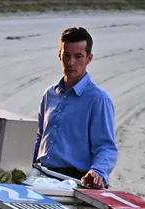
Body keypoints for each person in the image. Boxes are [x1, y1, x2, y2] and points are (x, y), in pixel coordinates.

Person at [32, 26, 118, 189]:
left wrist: (97, 172)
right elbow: (40, 137)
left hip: (75, 183)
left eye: (78, 56)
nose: (71, 63)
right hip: (41, 177)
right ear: (60, 56)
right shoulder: (49, 94)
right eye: (66, 56)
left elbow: (106, 147)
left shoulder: (98, 99)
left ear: (89, 58)